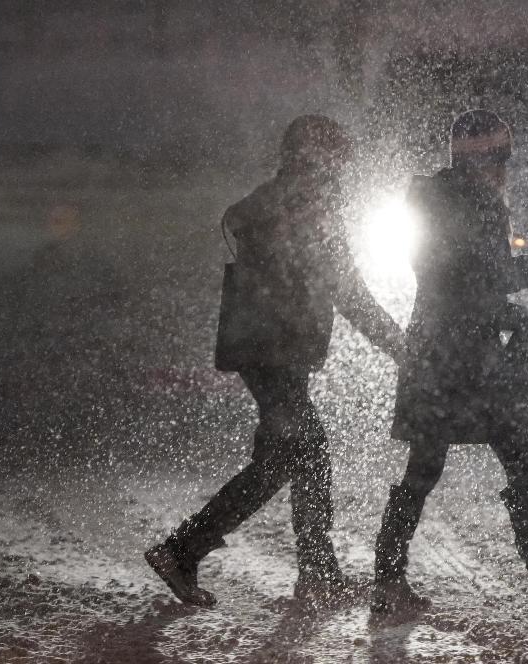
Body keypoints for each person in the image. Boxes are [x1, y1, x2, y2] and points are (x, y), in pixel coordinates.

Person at [146, 115, 405, 608]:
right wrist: (399, 346)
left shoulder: (275, 200)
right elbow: (348, 292)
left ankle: (314, 572)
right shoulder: (311, 207)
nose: (341, 170)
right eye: (336, 160)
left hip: (262, 351)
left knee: (298, 455)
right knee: (295, 454)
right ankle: (187, 550)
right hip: (277, 353)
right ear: (321, 160)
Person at [370, 109, 528, 615]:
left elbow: (452, 278)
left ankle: (388, 578)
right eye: (500, 155)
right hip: (464, 358)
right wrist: (526, 283)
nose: (503, 165)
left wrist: (517, 280)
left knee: (429, 463)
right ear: (481, 157)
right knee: (509, 451)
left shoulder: (432, 198)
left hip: (435, 352)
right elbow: (474, 280)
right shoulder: (478, 203)